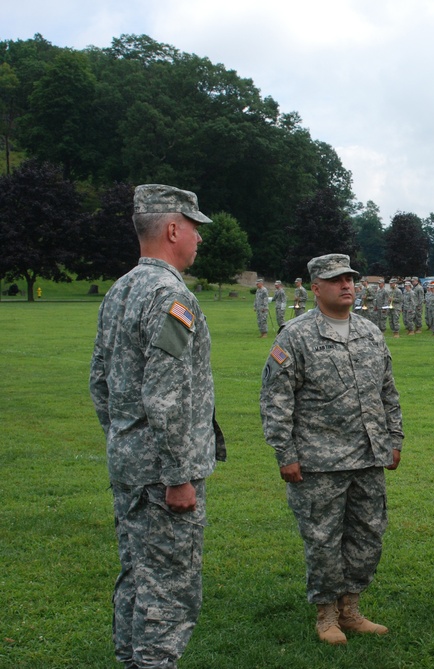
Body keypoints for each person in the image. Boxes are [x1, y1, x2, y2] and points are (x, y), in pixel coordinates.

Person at [90, 183, 225, 669]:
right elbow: (164, 395)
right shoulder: (171, 296)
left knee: (137, 576)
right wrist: (177, 475)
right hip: (163, 476)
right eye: (194, 228)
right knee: (169, 589)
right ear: (173, 228)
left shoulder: (121, 289)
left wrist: (124, 439)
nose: (199, 239)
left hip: (130, 465)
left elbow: (99, 381)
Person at [260, 253, 404, 646]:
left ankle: (350, 607)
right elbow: (276, 399)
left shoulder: (369, 332)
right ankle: (326, 613)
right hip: (319, 460)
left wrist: (395, 438)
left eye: (350, 278)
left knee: (368, 534)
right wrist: (285, 453)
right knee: (323, 539)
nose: (347, 285)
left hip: (368, 455)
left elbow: (387, 391)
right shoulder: (295, 335)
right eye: (336, 279)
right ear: (315, 287)